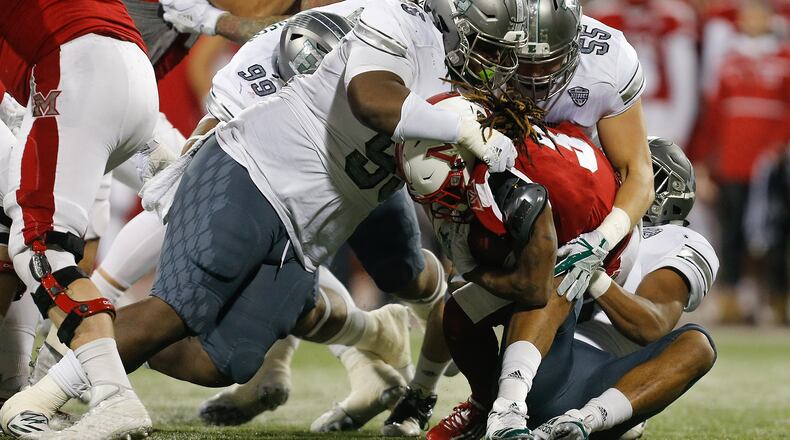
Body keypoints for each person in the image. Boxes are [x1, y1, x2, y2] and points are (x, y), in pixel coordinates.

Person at [420, 1, 655, 437]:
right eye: (522, 61)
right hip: (502, 192)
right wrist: (454, 229)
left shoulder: (608, 55)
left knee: (555, 269)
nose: (535, 76)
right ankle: (468, 400)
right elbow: (435, 162)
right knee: (458, 311)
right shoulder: (471, 43)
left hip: (581, 206)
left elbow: (639, 171)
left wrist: (604, 238)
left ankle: (505, 409)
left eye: (549, 60)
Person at [0, 1, 160, 438]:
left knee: (38, 247)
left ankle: (112, 394)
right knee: (33, 234)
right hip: (134, 73)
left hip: (75, 66)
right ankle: (17, 386)